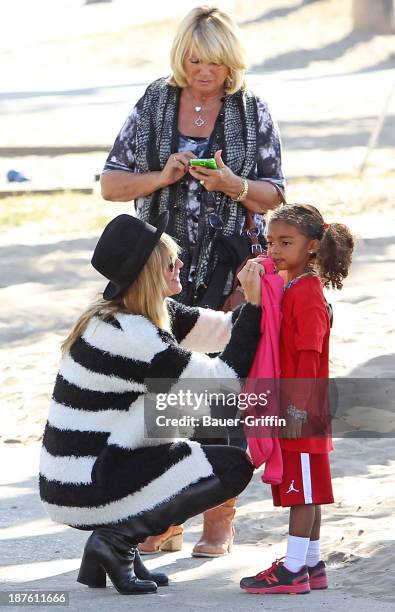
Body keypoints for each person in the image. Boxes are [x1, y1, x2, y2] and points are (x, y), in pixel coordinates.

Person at [100, 3, 285, 558]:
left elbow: (276, 194)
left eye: (216, 63)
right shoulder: (155, 101)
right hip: (161, 275)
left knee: (222, 392)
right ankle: (166, 516)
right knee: (162, 393)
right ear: (182, 58)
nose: (205, 72)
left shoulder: (253, 111)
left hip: (232, 268)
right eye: (195, 60)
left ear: (232, 63)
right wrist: (163, 175)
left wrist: (231, 184)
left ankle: (218, 517)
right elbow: (111, 184)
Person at [39, 212, 266, 596]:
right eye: (170, 261)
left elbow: (225, 329)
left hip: (78, 474)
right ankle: (116, 539)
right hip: (84, 484)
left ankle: (108, 543)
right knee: (232, 467)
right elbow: (225, 381)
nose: (181, 264)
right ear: (148, 272)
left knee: (180, 419)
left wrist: (270, 290)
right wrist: (257, 305)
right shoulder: (134, 335)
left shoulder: (128, 313)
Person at [240, 204, 354, 595]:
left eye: (285, 242)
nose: (274, 249)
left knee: (301, 492)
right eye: (271, 241)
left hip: (300, 409)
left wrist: (294, 409)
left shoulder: (306, 292)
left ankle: (291, 571)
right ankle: (311, 563)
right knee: (309, 488)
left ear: (312, 247)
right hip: (299, 407)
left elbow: (308, 355)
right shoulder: (292, 284)